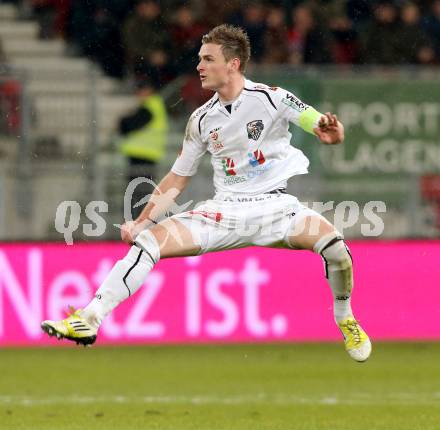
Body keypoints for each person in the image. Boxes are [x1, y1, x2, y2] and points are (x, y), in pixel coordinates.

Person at [41, 24, 371, 362]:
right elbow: (178, 177)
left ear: (233, 64)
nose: (199, 66)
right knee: (149, 242)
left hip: (277, 207)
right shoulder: (201, 119)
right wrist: (141, 221)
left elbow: (313, 120)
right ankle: (88, 318)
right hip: (225, 211)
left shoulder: (271, 97)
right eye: (199, 58)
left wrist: (328, 130)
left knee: (337, 250)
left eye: (208, 59)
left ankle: (344, 317)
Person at [118, 79, 169, 219]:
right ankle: (139, 222)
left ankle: (137, 223)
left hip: (142, 157)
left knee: (137, 193)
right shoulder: (154, 106)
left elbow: (127, 125)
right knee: (141, 193)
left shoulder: (150, 106)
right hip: (145, 156)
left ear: (148, 90)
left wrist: (122, 120)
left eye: (140, 90)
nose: (138, 94)